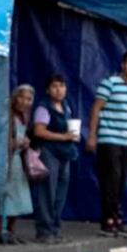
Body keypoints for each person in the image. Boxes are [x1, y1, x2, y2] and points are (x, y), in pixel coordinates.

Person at [87, 50, 127, 237]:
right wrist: (92, 136)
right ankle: (110, 220)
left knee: (121, 181)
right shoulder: (109, 83)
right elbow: (96, 109)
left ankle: (115, 218)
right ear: (123, 65)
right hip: (108, 138)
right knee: (111, 179)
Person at [30, 73, 80, 243]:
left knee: (60, 192)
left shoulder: (66, 107)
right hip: (49, 152)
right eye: (54, 86)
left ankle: (55, 228)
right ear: (47, 90)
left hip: (65, 153)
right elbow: (39, 131)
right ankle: (44, 230)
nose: (59, 90)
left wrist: (71, 137)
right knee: (47, 191)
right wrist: (64, 137)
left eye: (62, 86)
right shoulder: (43, 107)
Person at [0, 85, 34, 245]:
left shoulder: (24, 117)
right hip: (7, 160)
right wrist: (14, 142)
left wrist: (25, 143)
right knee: (5, 197)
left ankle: (11, 232)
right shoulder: (7, 117)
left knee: (17, 197)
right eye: (21, 97)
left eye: (29, 99)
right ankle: (0, 232)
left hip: (18, 161)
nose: (25, 102)